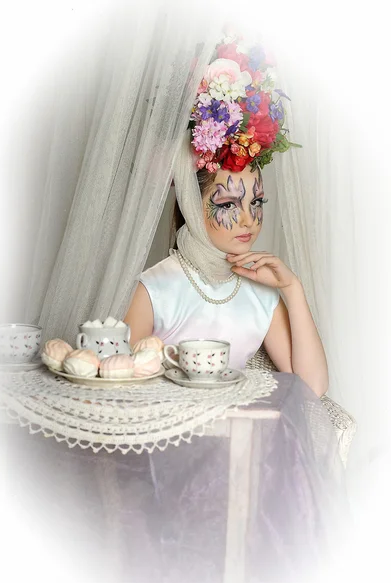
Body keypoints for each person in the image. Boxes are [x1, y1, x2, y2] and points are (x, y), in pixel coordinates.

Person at [124, 34, 329, 398]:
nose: (249, 220)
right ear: (191, 203)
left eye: (258, 203)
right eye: (229, 204)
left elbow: (312, 387)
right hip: (164, 438)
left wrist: (293, 290)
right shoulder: (157, 287)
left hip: (234, 441)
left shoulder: (260, 295)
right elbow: (117, 382)